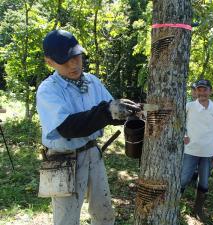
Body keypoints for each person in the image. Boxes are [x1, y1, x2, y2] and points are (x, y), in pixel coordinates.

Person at [36, 30, 141, 225]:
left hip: (93, 152)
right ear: (49, 61)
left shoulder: (92, 82)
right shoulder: (48, 90)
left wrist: (126, 111)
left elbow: (110, 113)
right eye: (64, 60)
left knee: (104, 214)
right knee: (66, 218)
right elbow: (68, 127)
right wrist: (108, 112)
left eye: (76, 57)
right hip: (63, 159)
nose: (73, 64)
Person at [181, 79, 213, 219]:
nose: (202, 93)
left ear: (210, 91)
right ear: (195, 91)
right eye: (199, 89)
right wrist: (183, 135)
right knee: (183, 178)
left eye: (205, 90)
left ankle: (198, 210)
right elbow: (180, 123)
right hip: (190, 150)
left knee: (204, 181)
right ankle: (173, 205)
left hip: (208, 151)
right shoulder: (189, 106)